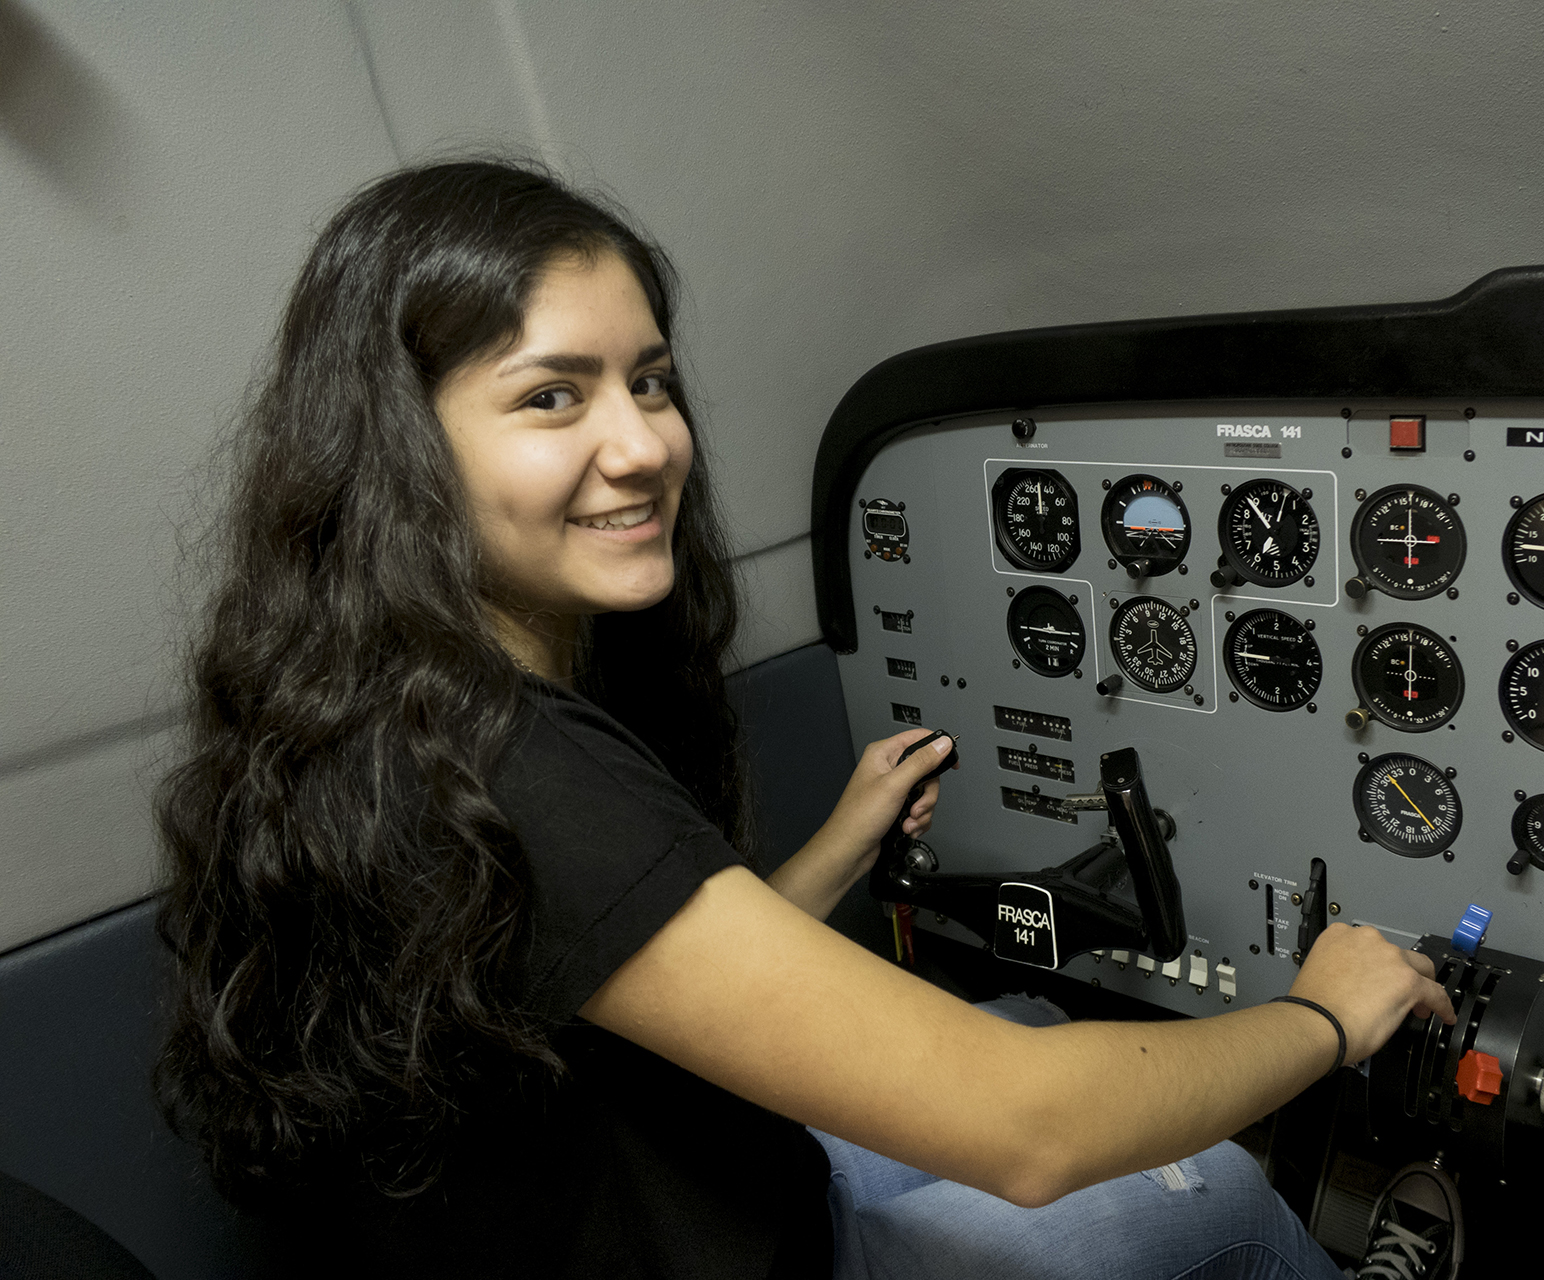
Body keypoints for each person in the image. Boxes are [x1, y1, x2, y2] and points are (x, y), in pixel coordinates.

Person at [156, 159, 1456, 1280]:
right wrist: (1325, 1016)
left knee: (1037, 1024)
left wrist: (840, 842)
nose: (643, 444)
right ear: (403, 451)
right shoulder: (519, 768)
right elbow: (1031, 1131)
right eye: (554, 395)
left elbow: (631, 986)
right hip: (758, 1249)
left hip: (668, 1206)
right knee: (1214, 1194)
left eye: (650, 382)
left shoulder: (390, 719)